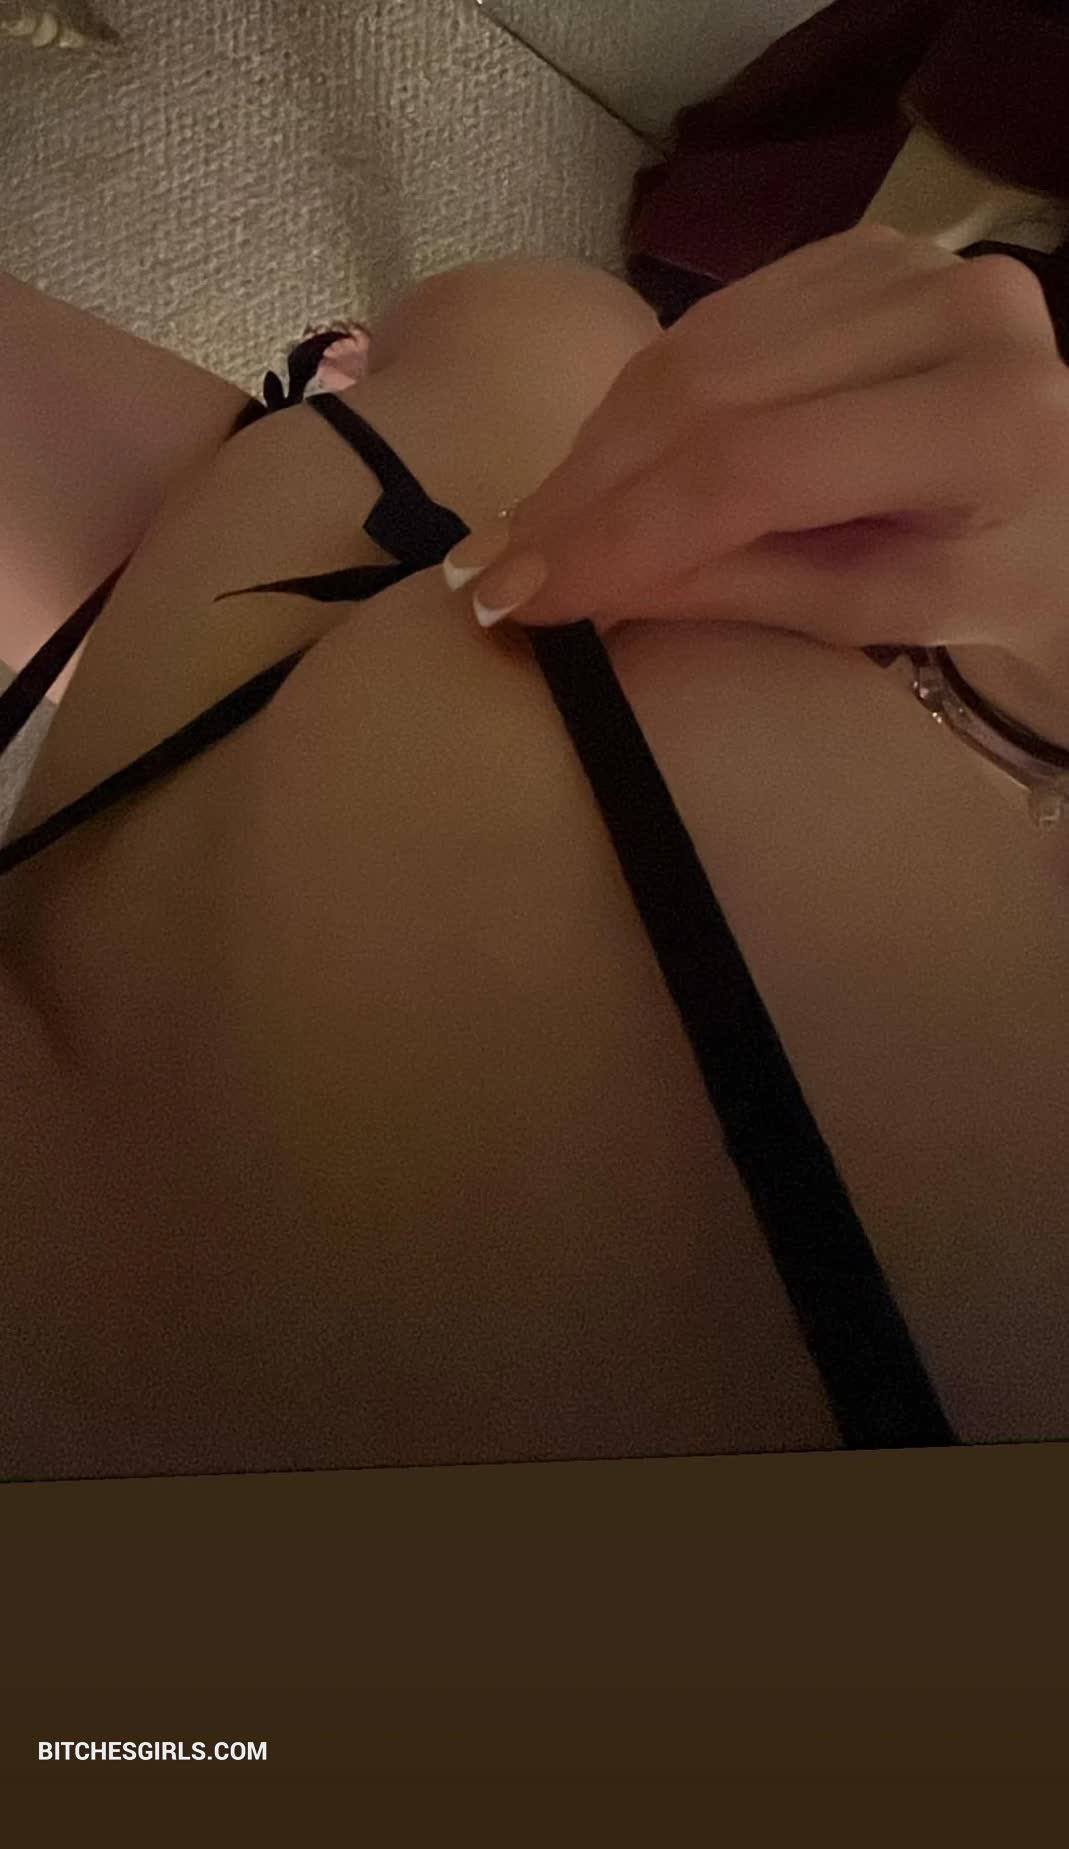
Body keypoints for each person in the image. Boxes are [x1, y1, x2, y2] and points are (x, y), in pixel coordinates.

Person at [0, 229, 1066, 1480]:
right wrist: (1034, 688)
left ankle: (313, 451)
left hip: (353, 587)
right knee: (505, 361)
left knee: (514, 348)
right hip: (357, 590)